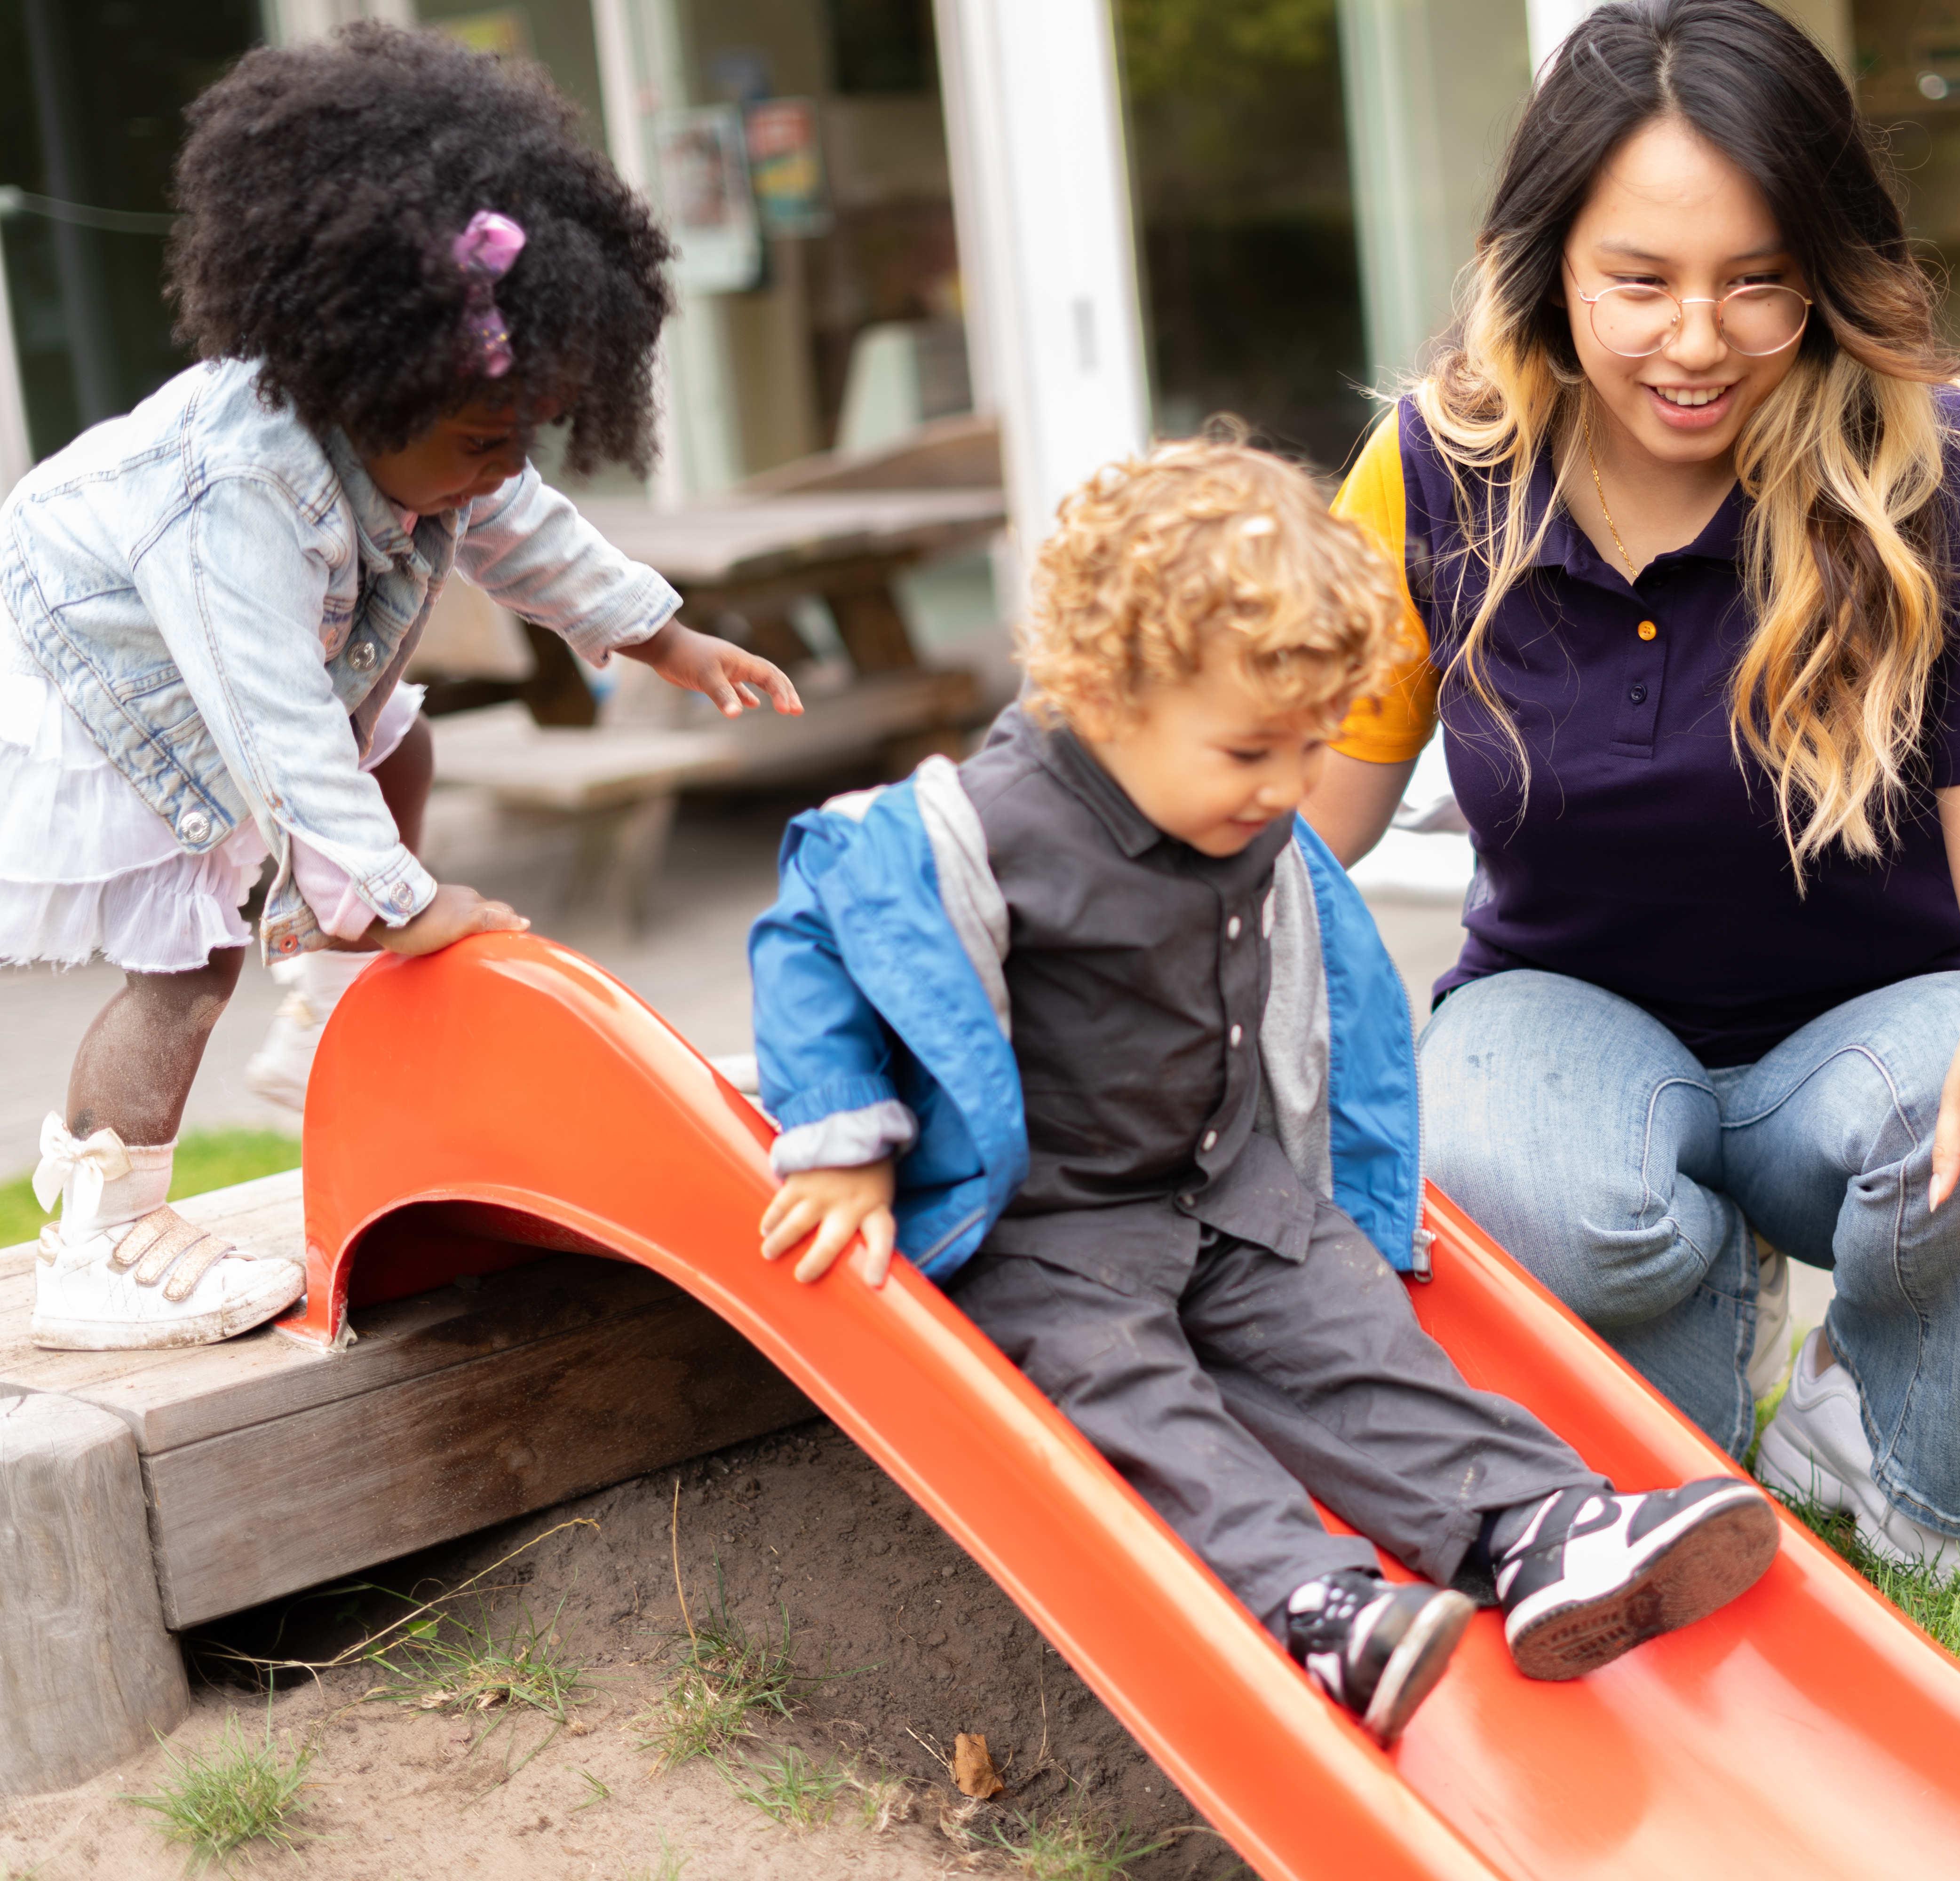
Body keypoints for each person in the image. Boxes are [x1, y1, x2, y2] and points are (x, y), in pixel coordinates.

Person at [749, 440, 1774, 1746]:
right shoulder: (984, 824)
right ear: (1108, 694)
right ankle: (1316, 1608)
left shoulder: (1230, 805)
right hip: (1055, 1232)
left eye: (1308, 747)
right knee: (1139, 1407)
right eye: (1253, 752)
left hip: (1232, 1190)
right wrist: (841, 1141)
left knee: (1362, 1346)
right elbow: (811, 928)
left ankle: (1539, 1535)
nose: (1293, 791)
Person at [1304, 0, 1960, 1594]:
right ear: (1547, 261)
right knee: (1668, 1483)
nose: (1697, 341)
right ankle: (1708, 1363)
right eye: (1642, 282)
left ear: (1826, 271)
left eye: (1757, 281)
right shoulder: (1429, 472)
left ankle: (1893, 1436)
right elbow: (1306, 830)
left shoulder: (1943, 467)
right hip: (1569, 1026)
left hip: (1865, 1053)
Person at [0, 25, 799, 1351]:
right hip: (101, 680)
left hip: (234, 663)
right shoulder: (233, 497)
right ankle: (94, 1243)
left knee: (403, 750)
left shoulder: (434, 432)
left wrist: (657, 635)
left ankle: (328, 989)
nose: (504, 466)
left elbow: (524, 524)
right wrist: (399, 900)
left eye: (524, 437)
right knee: (189, 961)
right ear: (364, 379)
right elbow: (274, 730)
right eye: (484, 441)